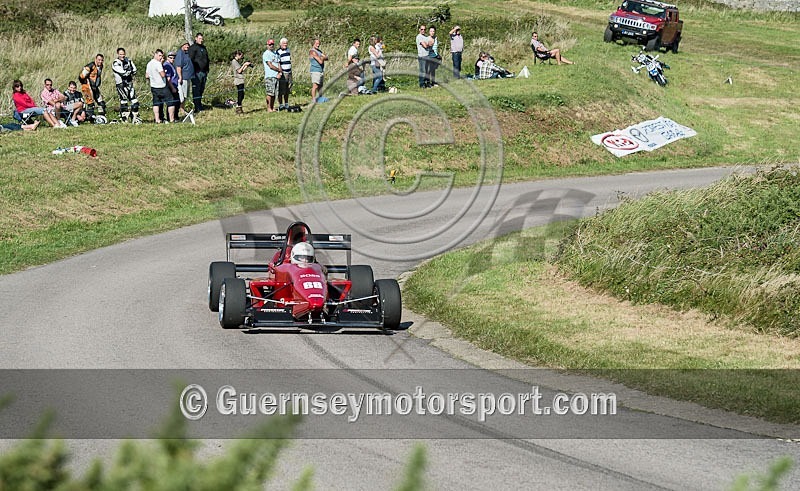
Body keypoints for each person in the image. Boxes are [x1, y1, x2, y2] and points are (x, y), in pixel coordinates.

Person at [111, 47, 141, 124]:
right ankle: (124, 118)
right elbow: (123, 73)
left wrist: (129, 71)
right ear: (118, 54)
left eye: (123, 54)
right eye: (120, 54)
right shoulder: (115, 62)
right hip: (121, 84)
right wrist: (129, 71)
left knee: (135, 101)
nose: (122, 56)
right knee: (124, 101)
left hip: (129, 83)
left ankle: (135, 117)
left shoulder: (128, 60)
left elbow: (135, 70)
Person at [145, 49, 174, 123]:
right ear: (155, 54)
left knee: (156, 103)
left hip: (153, 86)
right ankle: (171, 119)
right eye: (159, 55)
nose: (161, 57)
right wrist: (161, 66)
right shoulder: (158, 64)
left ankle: (157, 119)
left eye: (162, 56)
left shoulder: (149, 63)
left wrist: (153, 77)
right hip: (161, 86)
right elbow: (163, 75)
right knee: (170, 102)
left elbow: (147, 76)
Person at [79, 53, 106, 121]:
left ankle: (101, 117)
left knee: (101, 103)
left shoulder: (101, 66)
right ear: (95, 59)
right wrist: (86, 83)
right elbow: (81, 76)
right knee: (90, 104)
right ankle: (90, 118)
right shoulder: (90, 66)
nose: (100, 61)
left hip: (95, 87)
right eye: (99, 60)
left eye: (102, 60)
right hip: (87, 87)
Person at [188, 32, 210, 111]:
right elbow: (190, 60)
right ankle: (197, 106)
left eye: (202, 38)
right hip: (196, 72)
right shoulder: (193, 48)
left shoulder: (203, 48)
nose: (201, 40)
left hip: (204, 71)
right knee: (196, 89)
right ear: (196, 38)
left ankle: (199, 104)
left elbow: (207, 59)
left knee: (201, 89)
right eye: (200, 38)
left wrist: (207, 69)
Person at [174, 41, 194, 115]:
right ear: (182, 45)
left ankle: (182, 108)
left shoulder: (187, 53)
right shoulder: (180, 53)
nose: (187, 46)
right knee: (182, 95)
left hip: (188, 78)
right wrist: (180, 77)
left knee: (186, 95)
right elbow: (178, 66)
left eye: (188, 45)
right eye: (185, 45)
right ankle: (180, 109)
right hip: (183, 78)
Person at [230, 50, 252, 114]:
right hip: (238, 80)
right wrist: (244, 64)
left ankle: (239, 106)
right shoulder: (234, 62)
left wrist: (246, 66)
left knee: (242, 94)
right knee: (240, 94)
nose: (241, 57)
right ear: (237, 55)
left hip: (241, 79)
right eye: (241, 55)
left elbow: (241, 70)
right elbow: (239, 71)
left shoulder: (237, 62)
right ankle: (238, 106)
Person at [262, 39, 281, 112]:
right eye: (270, 44)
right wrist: (279, 70)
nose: (271, 46)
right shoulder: (266, 54)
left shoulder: (276, 53)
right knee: (270, 93)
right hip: (270, 76)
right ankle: (269, 108)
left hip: (276, 76)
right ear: (267, 45)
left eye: (272, 44)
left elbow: (278, 63)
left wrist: (280, 73)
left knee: (274, 93)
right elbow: (270, 65)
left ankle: (272, 107)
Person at [309, 38, 328, 103]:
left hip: (320, 70)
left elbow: (327, 57)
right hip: (315, 70)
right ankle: (313, 99)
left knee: (320, 86)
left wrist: (323, 57)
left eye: (319, 43)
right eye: (316, 43)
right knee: (315, 85)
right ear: (313, 44)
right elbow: (320, 61)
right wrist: (323, 58)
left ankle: (320, 98)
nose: (318, 45)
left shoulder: (319, 51)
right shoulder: (312, 51)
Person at [276, 38, 293, 111]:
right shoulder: (278, 52)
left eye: (286, 43)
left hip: (289, 72)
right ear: (280, 44)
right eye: (284, 43)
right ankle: (280, 104)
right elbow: (278, 63)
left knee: (288, 88)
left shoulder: (288, 50)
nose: (285, 45)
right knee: (281, 89)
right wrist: (280, 72)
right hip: (283, 73)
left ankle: (286, 103)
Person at [163, 51, 181, 118]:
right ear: (167, 58)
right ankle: (171, 117)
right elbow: (168, 79)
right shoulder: (167, 65)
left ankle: (175, 116)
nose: (172, 59)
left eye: (174, 58)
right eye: (170, 58)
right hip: (171, 86)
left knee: (177, 102)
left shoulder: (172, 65)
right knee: (172, 103)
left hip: (175, 85)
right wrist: (172, 88)